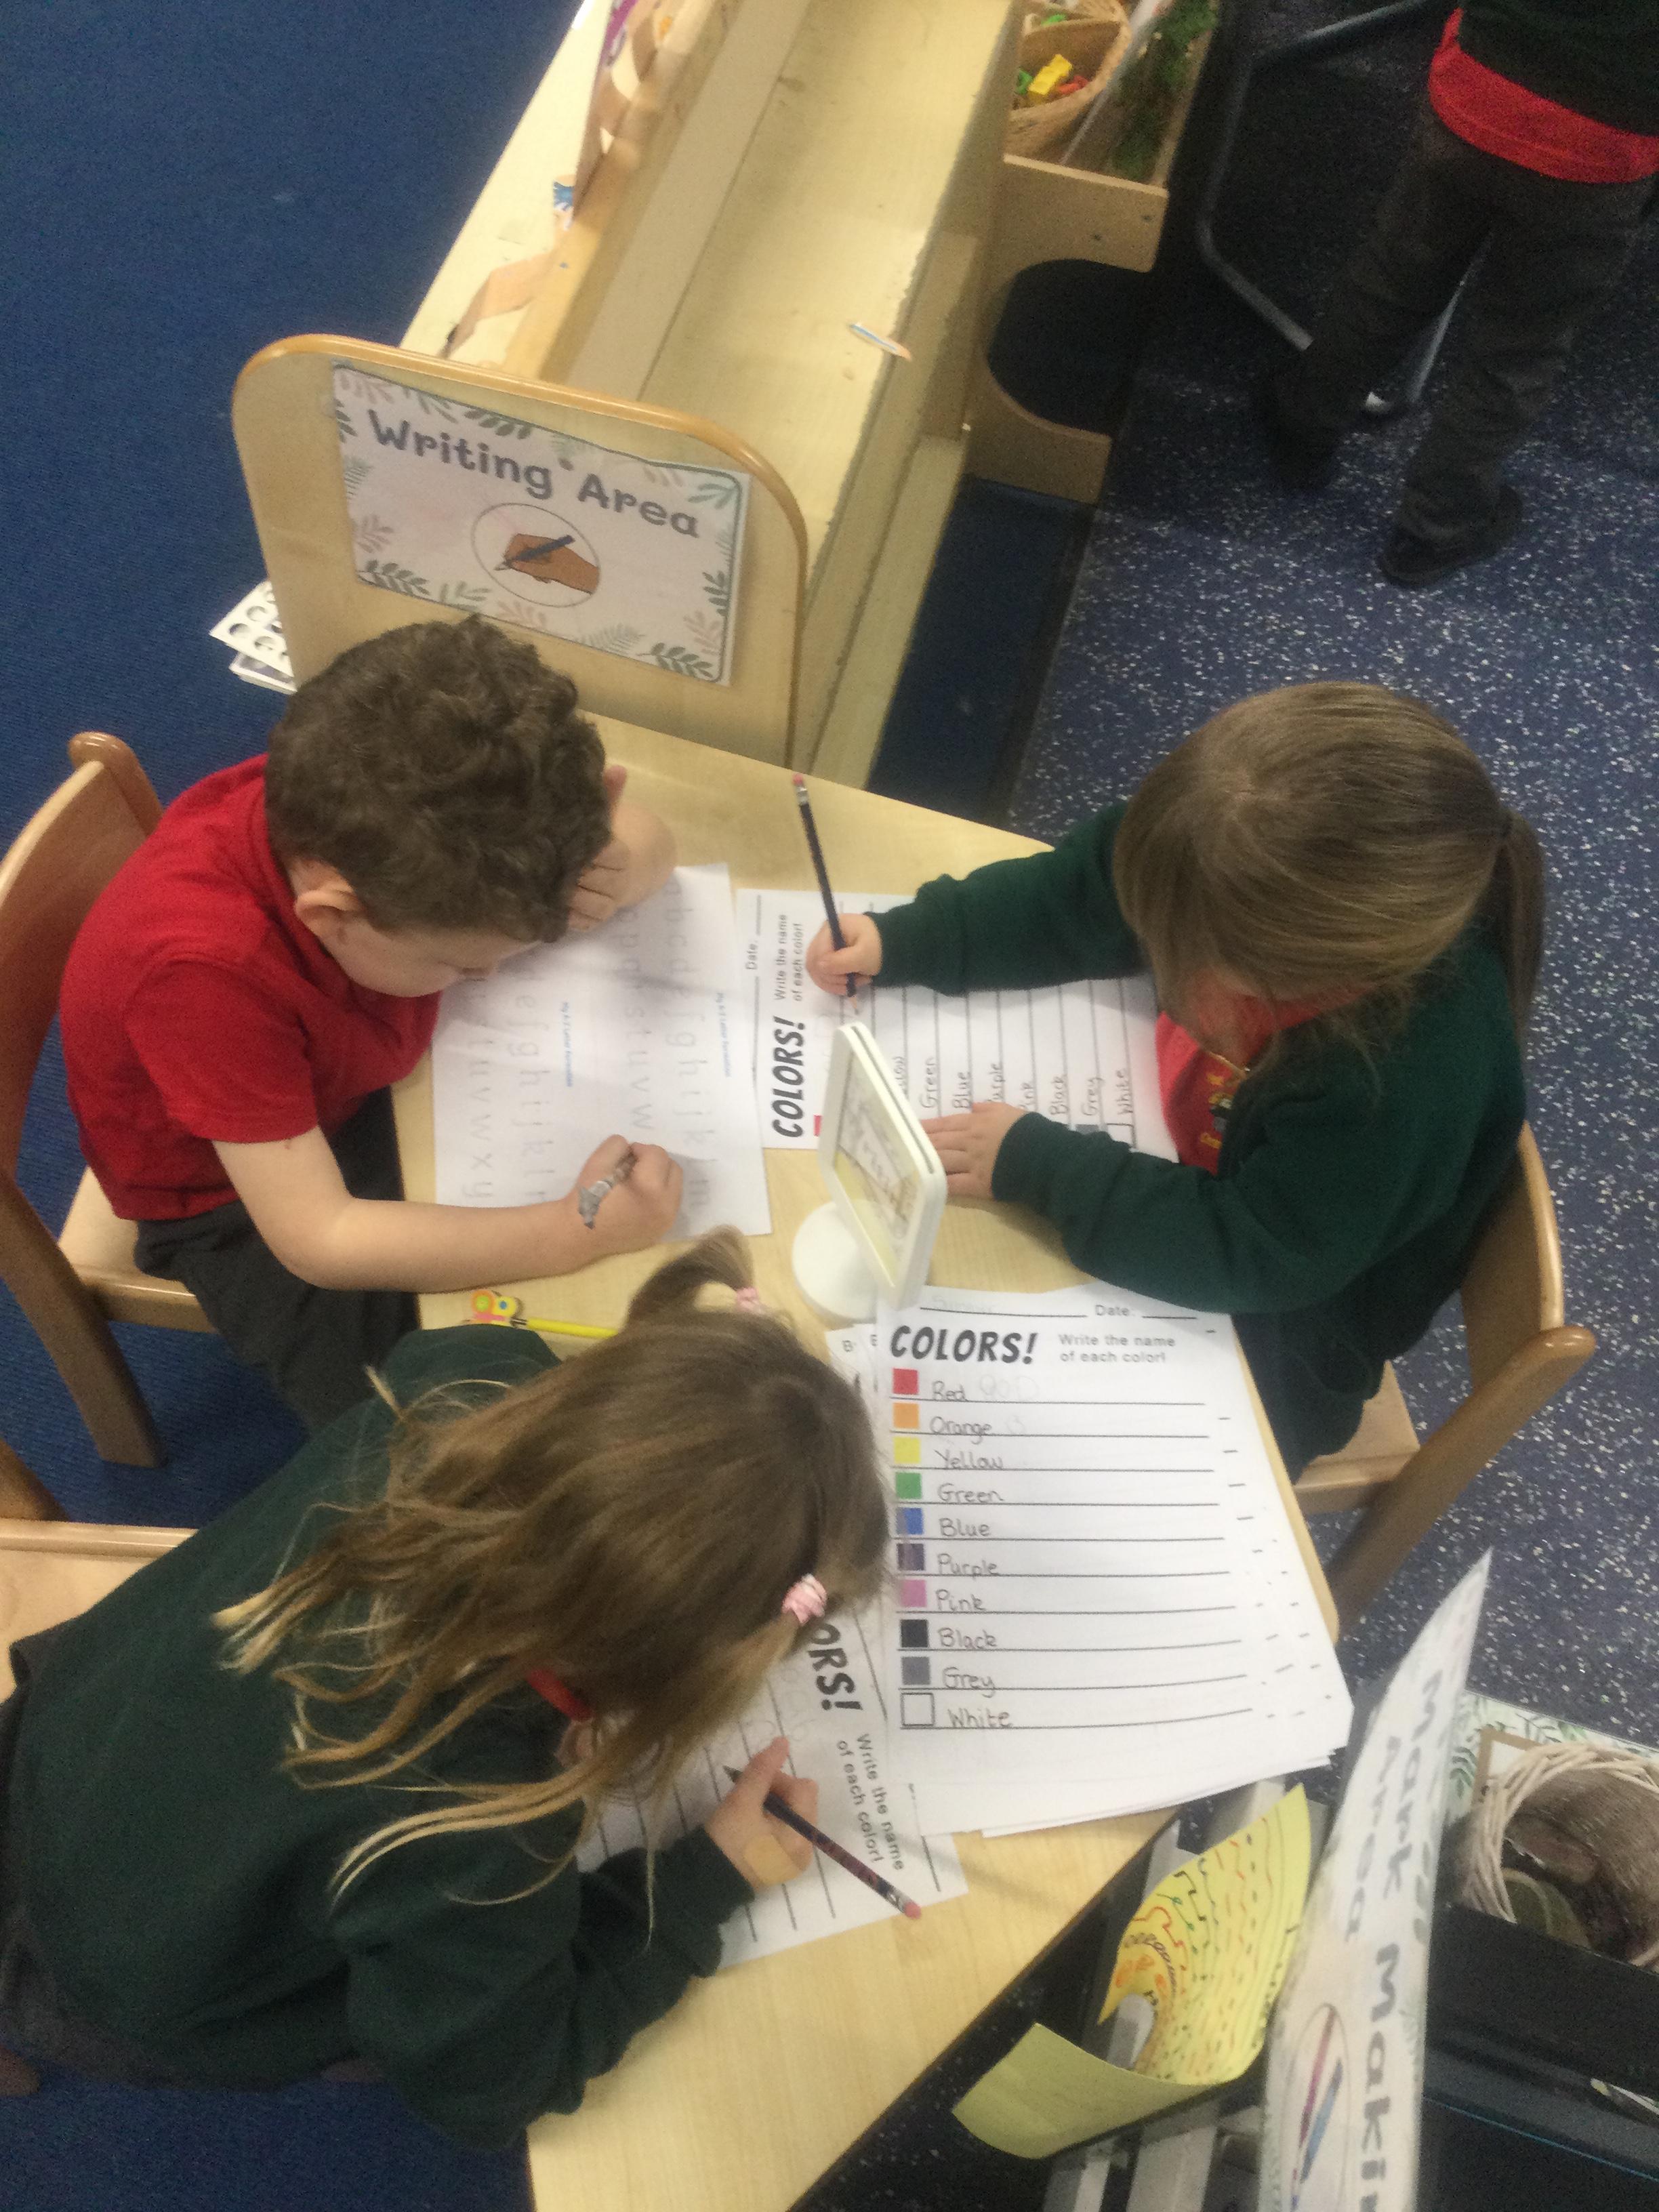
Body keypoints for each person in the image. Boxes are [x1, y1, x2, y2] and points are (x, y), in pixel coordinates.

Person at [0, 1233, 889, 2148]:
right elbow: (492, 2087)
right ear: (663, 1680)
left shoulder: (472, 1377)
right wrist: (707, 1881)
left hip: (54, 1737)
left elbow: (479, 1366)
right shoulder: (472, 1827)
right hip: (123, 1976)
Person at [806, 682, 1543, 1473]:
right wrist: (913, 937)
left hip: (1282, 1339)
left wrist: (1044, 1167)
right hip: (1225, 1185)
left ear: (1290, 977)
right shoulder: (1221, 857)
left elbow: (1256, 1252)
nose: (1158, 963)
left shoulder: (1393, 1087)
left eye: (1181, 960)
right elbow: (1087, 891)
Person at [60, 616, 682, 1430]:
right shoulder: (204, 973)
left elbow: (650, 836)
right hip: (229, 1201)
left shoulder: (363, 802)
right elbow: (321, 1237)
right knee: (434, 1433)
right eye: (462, 965)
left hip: (337, 1078)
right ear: (333, 915)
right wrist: (572, 1233)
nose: (487, 978)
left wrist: (617, 868)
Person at [1254, 0, 1659, 587]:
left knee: (1389, 280)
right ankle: (1436, 526)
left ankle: (1304, 424)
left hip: (1480, 84)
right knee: (1520, 348)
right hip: (1603, 145)